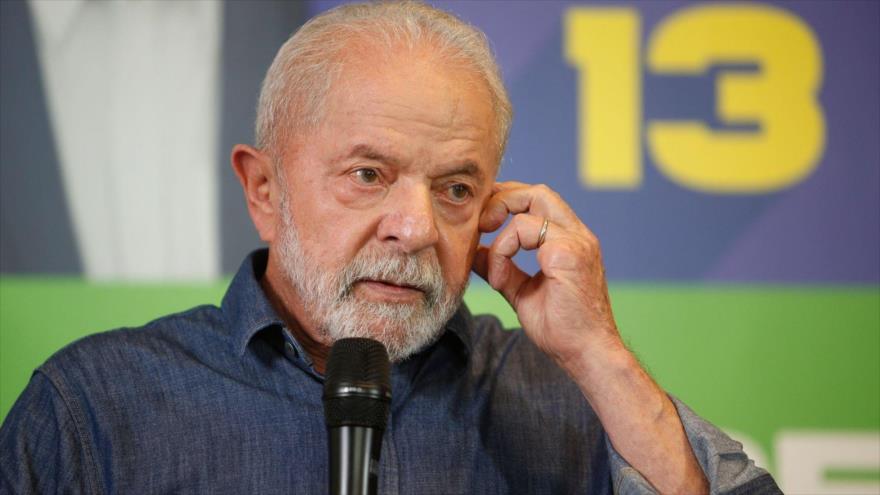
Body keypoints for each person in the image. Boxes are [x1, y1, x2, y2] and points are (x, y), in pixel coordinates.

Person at [1, 2, 780, 493]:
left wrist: (598, 354)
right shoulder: (97, 407)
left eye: (454, 189)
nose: (415, 229)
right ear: (264, 190)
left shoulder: (568, 404)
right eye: (368, 174)